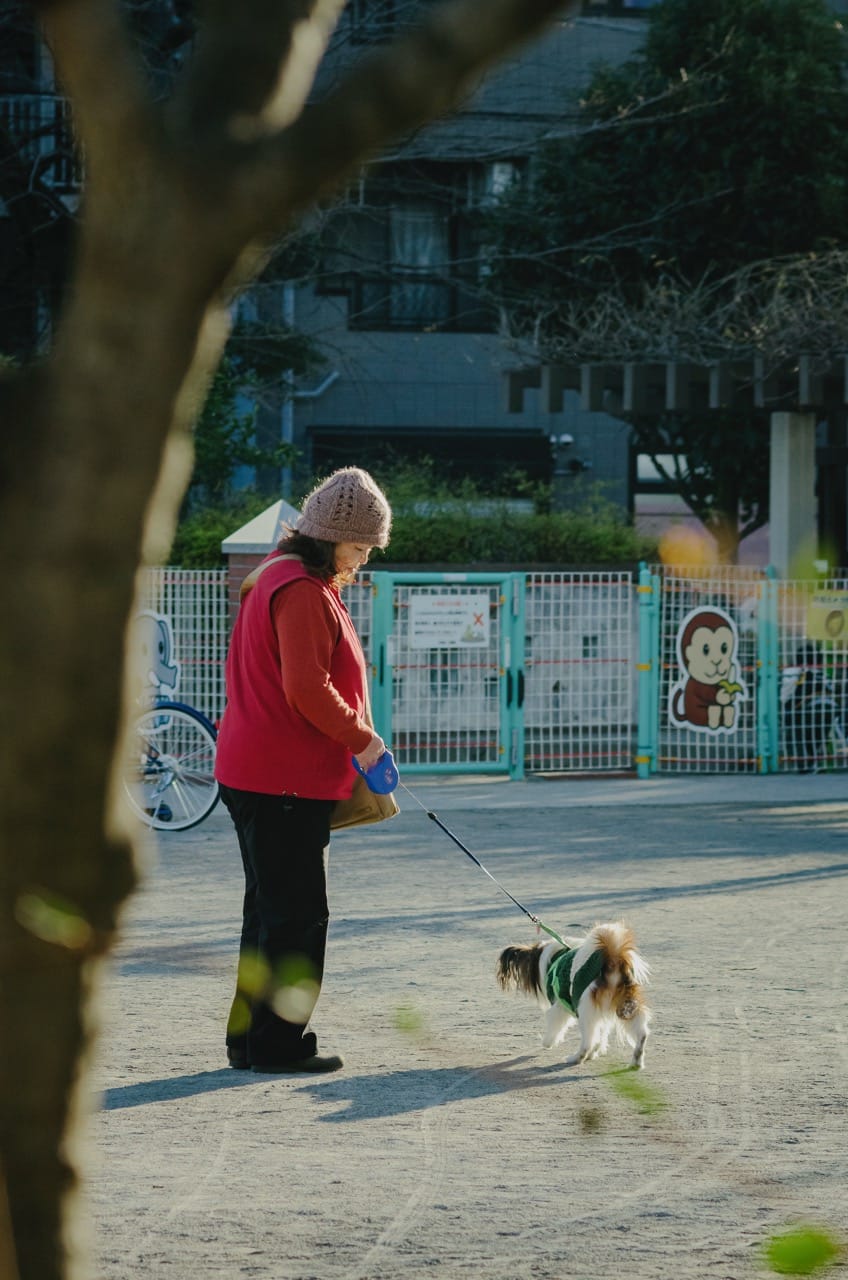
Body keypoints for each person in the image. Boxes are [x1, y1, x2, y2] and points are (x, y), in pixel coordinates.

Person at [215, 467, 391, 1074]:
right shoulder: (301, 591)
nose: (364, 558)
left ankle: (250, 1040)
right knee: (296, 918)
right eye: (361, 545)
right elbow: (307, 687)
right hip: (282, 779)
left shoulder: (275, 576)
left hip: (256, 771)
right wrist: (363, 741)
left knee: (266, 913)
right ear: (332, 534)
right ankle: (277, 1045)